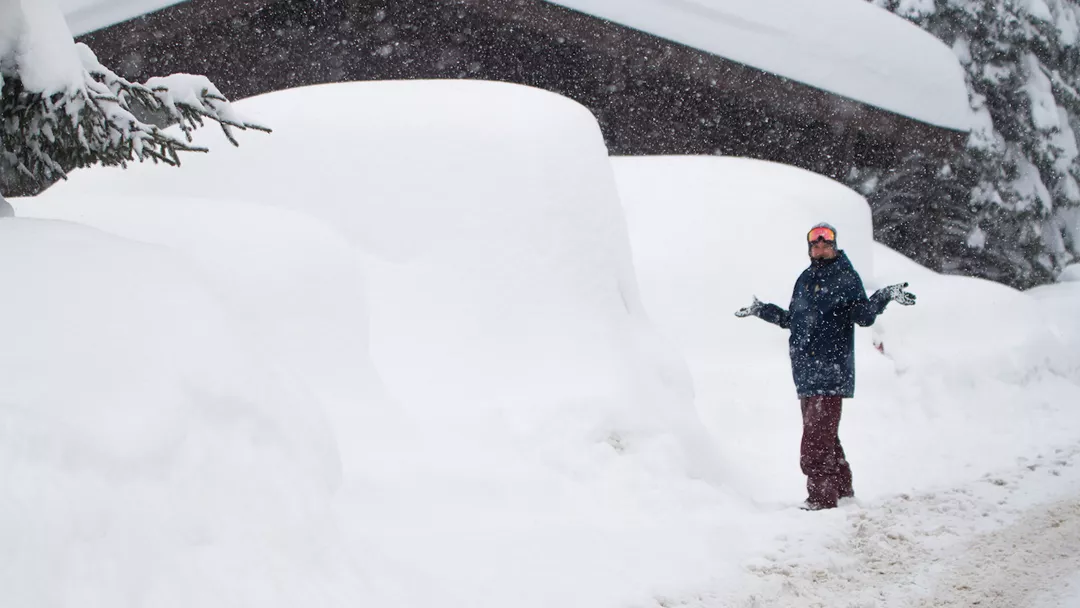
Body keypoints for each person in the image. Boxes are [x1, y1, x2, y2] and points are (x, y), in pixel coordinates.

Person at [734, 222, 916, 510]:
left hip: (830, 370)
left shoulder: (845, 278)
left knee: (815, 443)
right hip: (805, 372)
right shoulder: (805, 279)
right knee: (825, 436)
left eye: (826, 242)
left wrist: (883, 296)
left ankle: (821, 500)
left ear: (834, 245)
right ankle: (842, 491)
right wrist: (762, 310)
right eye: (815, 244)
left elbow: (865, 317)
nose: (820, 248)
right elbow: (792, 320)